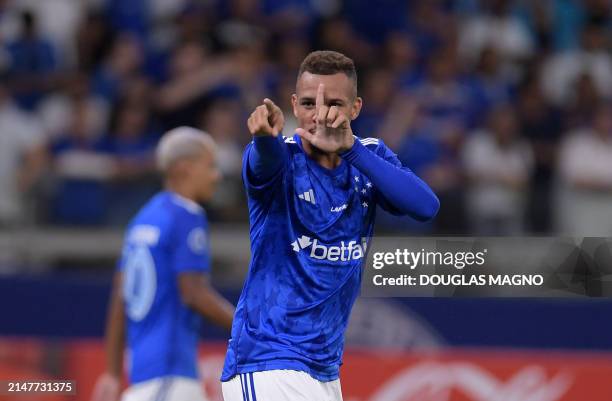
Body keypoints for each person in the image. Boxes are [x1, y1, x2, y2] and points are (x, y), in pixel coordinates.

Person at [221, 50, 439, 400]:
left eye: (333, 103)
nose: (318, 114)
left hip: (323, 370)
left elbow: (426, 207)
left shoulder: (368, 156)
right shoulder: (282, 156)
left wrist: (350, 148)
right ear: (293, 105)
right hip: (269, 362)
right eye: (308, 103)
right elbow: (263, 163)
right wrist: (264, 137)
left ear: (355, 109)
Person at [91, 127, 235, 401]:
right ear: (185, 169)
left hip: (145, 377)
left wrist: (111, 372)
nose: (216, 175)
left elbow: (120, 300)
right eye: (210, 166)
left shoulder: (142, 219)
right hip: (171, 377)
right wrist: (249, 328)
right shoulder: (186, 215)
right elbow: (193, 293)